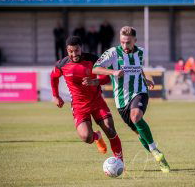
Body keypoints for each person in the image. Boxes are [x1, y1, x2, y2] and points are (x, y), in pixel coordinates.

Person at [84, 26, 170, 173]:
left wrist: (144, 79)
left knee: (136, 117)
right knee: (139, 132)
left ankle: (155, 151)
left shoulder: (141, 52)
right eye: (122, 42)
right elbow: (95, 69)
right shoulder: (112, 53)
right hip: (121, 100)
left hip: (139, 91)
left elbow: (137, 67)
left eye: (128, 42)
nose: (125, 45)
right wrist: (113, 71)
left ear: (134, 41)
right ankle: (159, 157)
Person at [50, 36, 123, 161]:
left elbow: (107, 77)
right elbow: (53, 77)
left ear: (81, 48)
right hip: (79, 106)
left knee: (110, 130)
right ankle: (97, 137)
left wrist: (95, 82)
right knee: (86, 137)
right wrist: (56, 96)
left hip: (97, 102)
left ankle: (120, 162)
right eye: (70, 51)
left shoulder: (93, 60)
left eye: (76, 50)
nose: (74, 54)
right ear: (67, 50)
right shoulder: (62, 65)